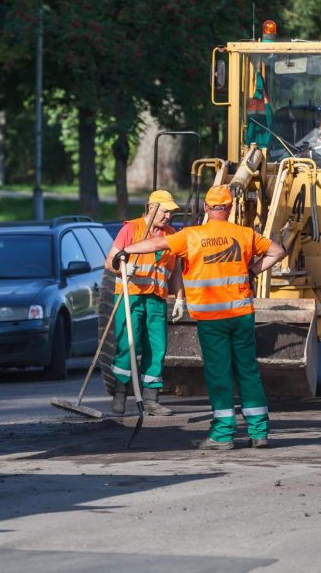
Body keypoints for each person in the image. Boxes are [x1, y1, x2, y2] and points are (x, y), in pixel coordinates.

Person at [113, 185, 285, 450]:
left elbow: (158, 242)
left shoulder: (191, 236)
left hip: (212, 318)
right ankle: (259, 432)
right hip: (241, 315)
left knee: (219, 375)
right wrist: (252, 270)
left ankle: (223, 435)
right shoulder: (244, 234)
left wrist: (127, 251)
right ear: (229, 208)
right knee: (248, 372)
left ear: (206, 208)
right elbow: (278, 251)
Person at [104, 190, 185, 417]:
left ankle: (151, 399)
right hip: (130, 295)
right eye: (165, 211)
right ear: (152, 208)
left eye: (171, 212)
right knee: (128, 345)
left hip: (157, 298)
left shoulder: (171, 234)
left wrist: (179, 297)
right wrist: (122, 268)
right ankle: (120, 395)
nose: (168, 216)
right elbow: (109, 261)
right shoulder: (132, 229)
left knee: (157, 348)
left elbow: (176, 270)